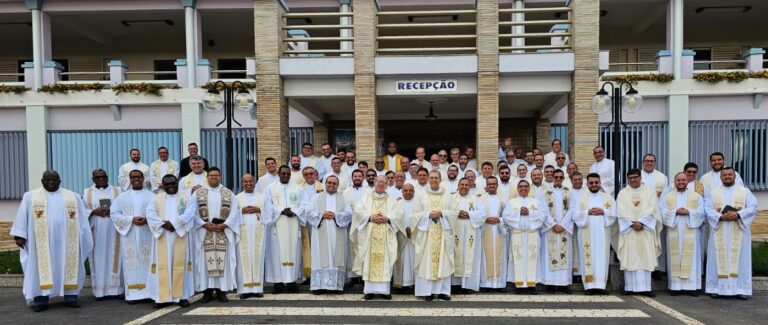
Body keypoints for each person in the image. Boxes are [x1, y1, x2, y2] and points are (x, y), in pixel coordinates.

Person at [12, 171, 92, 312]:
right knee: (39, 269)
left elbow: (83, 221)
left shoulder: (72, 197)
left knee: (69, 266)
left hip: (67, 243)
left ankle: (71, 297)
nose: (51, 182)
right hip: (40, 244)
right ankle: (41, 299)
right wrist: (20, 235)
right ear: (42, 181)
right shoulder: (30, 196)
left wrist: (84, 236)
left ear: (60, 181)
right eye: (48, 179)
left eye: (54, 179)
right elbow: (22, 216)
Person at [185, 167, 241, 303]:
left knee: (223, 261)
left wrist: (225, 224)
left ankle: (222, 291)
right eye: (211, 175)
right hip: (205, 233)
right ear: (207, 177)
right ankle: (207, 291)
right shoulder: (198, 193)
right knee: (205, 262)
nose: (214, 177)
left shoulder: (228, 193)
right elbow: (191, 212)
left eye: (216, 175)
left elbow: (235, 212)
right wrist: (204, 224)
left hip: (223, 232)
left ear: (220, 177)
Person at [704, 167, 757, 300]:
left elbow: (753, 206)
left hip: (739, 231)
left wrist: (738, 214)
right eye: (725, 175)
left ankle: (740, 289)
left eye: (730, 175)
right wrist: (720, 217)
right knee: (716, 258)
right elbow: (707, 209)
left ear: (734, 176)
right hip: (719, 230)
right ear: (720, 177)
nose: (727, 177)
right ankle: (715, 288)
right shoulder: (713, 192)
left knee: (741, 259)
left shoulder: (745, 192)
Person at [351, 176, 404, 300]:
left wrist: (388, 219)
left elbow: (398, 214)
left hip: (386, 234)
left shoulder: (392, 200)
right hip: (369, 235)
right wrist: (370, 217)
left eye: (383, 182)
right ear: (374, 183)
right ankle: (369, 291)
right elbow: (358, 211)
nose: (380, 184)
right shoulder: (365, 198)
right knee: (369, 260)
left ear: (387, 185)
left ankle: (384, 291)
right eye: (378, 181)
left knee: (385, 261)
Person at [146, 174, 194, 308]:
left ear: (177, 183)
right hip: (163, 236)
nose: (171, 186)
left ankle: (181, 296)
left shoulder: (186, 197)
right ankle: (162, 298)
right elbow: (150, 214)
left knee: (181, 265)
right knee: (163, 267)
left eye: (173, 183)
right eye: (167, 184)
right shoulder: (156, 198)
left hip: (180, 235)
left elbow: (190, 214)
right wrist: (164, 224)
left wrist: (174, 224)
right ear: (162, 185)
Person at [110, 170, 155, 303]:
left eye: (138, 177)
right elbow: (114, 213)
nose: (136, 179)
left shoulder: (152, 196)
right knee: (131, 263)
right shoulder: (122, 197)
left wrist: (147, 220)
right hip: (129, 234)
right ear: (129, 179)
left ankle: (149, 293)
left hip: (147, 234)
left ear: (143, 178)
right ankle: (132, 295)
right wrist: (130, 220)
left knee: (148, 262)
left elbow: (158, 213)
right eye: (133, 177)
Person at [616, 169, 662, 297]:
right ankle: (629, 287)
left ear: (640, 178)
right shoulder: (623, 193)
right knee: (630, 257)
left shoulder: (649, 192)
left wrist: (641, 222)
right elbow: (621, 211)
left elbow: (652, 208)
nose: (633, 180)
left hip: (645, 230)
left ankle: (646, 288)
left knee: (646, 257)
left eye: (635, 177)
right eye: (630, 178)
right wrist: (632, 223)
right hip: (629, 231)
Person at [411, 171, 456, 301]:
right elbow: (414, 214)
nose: (434, 179)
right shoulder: (421, 195)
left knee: (444, 260)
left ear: (440, 179)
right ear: (428, 180)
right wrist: (427, 215)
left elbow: (454, 212)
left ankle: (443, 291)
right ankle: (427, 291)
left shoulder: (448, 195)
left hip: (443, 233)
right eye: (432, 178)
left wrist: (442, 213)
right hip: (426, 234)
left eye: (436, 177)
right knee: (426, 262)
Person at [660, 172, 705, 296]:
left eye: (683, 180)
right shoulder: (667, 197)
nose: (681, 182)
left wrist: (689, 212)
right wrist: (675, 212)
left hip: (690, 229)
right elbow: (661, 212)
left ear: (687, 182)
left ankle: (692, 287)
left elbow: (702, 213)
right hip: (674, 230)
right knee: (674, 257)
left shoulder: (696, 197)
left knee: (692, 258)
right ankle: (675, 287)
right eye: (678, 180)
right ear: (674, 182)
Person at [306, 176, 353, 294]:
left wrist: (335, 215)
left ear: (337, 185)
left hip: (338, 233)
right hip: (320, 234)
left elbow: (349, 214)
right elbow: (309, 213)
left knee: (336, 258)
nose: (331, 185)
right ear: (325, 184)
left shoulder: (344, 199)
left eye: (334, 183)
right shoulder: (316, 198)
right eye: (329, 183)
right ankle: (318, 286)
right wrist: (322, 214)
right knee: (319, 258)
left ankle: (336, 286)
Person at [263, 166, 305, 294]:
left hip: (293, 224)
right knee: (276, 254)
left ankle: (292, 282)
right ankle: (278, 283)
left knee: (294, 252)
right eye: (283, 174)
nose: (286, 176)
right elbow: (267, 205)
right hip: (277, 224)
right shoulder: (270, 188)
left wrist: (294, 211)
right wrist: (281, 210)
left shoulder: (298, 188)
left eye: (288, 174)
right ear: (278, 174)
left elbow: (305, 204)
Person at [573, 173, 616, 295]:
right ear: (587, 184)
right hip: (587, 231)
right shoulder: (581, 198)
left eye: (596, 182)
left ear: (600, 183)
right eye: (591, 183)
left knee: (602, 257)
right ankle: (589, 286)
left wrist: (603, 211)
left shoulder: (607, 197)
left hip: (602, 234)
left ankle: (601, 286)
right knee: (588, 257)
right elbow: (575, 215)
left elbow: (614, 214)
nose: (594, 185)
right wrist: (588, 212)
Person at [82, 169, 122, 300]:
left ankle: (116, 291)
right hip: (96, 230)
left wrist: (114, 212)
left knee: (116, 258)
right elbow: (83, 211)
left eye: (103, 177)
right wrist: (93, 212)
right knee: (98, 258)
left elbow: (124, 208)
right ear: (93, 179)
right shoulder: (87, 192)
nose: (100, 179)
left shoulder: (117, 190)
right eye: (97, 177)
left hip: (114, 229)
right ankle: (100, 291)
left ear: (107, 177)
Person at [502, 180, 546, 294]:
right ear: (517, 188)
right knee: (518, 259)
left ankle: (532, 285)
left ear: (529, 188)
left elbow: (542, 216)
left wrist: (530, 212)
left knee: (532, 258)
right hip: (517, 234)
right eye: (520, 186)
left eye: (525, 186)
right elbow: (505, 216)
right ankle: (519, 284)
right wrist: (518, 213)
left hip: (532, 234)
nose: (523, 188)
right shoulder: (511, 202)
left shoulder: (536, 202)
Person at [540, 169, 574, 294]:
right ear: (552, 178)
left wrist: (563, 225)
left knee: (564, 255)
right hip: (551, 229)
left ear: (563, 178)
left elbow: (572, 210)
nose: (558, 179)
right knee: (550, 254)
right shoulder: (546, 193)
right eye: (556, 177)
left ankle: (564, 284)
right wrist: (553, 225)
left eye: (560, 177)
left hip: (564, 229)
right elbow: (543, 211)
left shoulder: (568, 193)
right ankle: (550, 283)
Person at [235, 174, 267, 299]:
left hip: (258, 232)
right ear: (242, 183)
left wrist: (259, 210)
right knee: (243, 260)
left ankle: (257, 289)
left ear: (254, 183)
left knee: (257, 258)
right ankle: (244, 290)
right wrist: (241, 212)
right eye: (245, 181)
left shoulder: (262, 197)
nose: (248, 183)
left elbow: (269, 213)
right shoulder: (237, 198)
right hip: (243, 233)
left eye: (250, 181)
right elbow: (232, 216)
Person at [450, 178, 484, 294]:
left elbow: (482, 214)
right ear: (458, 186)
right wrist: (456, 214)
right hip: (455, 232)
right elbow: (446, 212)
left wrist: (468, 214)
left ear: (470, 186)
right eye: (462, 184)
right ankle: (455, 285)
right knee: (455, 255)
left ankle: (468, 285)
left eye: (466, 185)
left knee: (470, 257)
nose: (464, 187)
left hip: (471, 233)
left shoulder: (476, 199)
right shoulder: (451, 198)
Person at [477, 177, 508, 292]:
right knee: (485, 256)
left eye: (494, 184)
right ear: (486, 185)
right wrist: (485, 219)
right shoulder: (480, 199)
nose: (491, 186)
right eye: (489, 184)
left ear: (497, 185)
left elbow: (508, 215)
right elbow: (477, 214)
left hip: (499, 231)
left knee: (500, 256)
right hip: (486, 230)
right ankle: (485, 284)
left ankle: (500, 285)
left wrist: (500, 220)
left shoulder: (504, 199)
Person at [393, 183, 419, 292]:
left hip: (416, 236)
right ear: (402, 192)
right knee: (402, 260)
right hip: (401, 236)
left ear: (414, 192)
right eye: (405, 190)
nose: (408, 192)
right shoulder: (397, 203)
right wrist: (404, 229)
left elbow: (421, 217)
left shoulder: (418, 203)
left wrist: (413, 229)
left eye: (410, 190)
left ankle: (415, 284)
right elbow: (394, 218)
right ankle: (402, 285)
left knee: (415, 259)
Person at [567, 172, 585, 280]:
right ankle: (574, 273)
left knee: (582, 248)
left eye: (579, 179)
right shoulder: (568, 193)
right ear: (571, 180)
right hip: (571, 225)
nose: (578, 181)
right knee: (573, 248)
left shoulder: (587, 192)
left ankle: (582, 272)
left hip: (584, 225)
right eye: (575, 179)